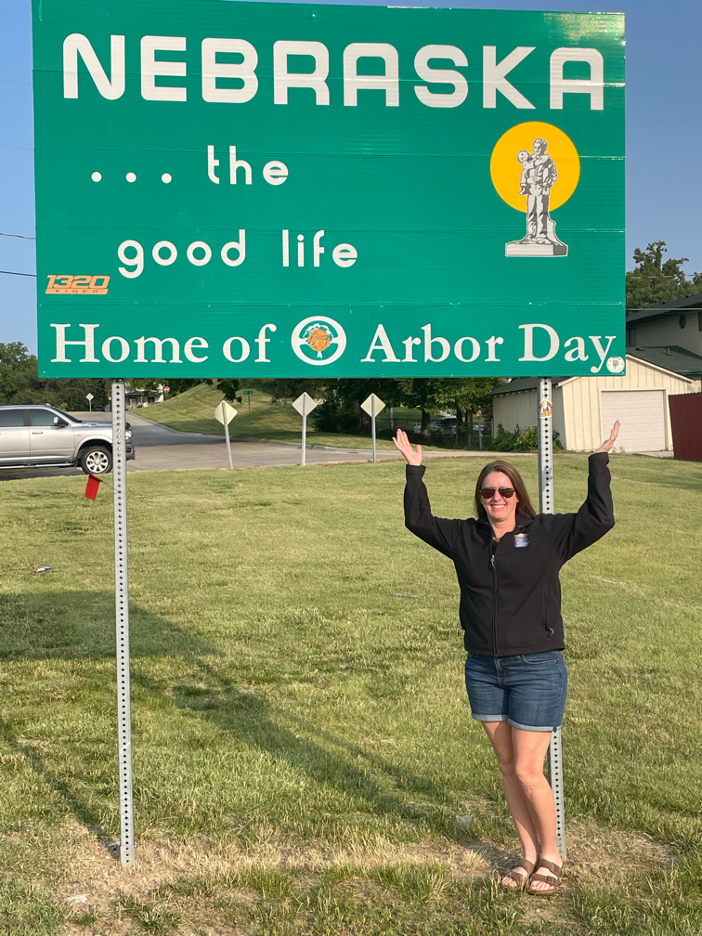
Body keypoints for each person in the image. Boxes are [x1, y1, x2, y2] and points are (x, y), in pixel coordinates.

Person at [392, 421, 620, 895]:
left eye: (505, 490)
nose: (496, 498)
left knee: (526, 769)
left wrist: (599, 463)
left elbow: (599, 519)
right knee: (505, 765)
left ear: (518, 495)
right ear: (480, 498)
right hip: (483, 667)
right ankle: (527, 854)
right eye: (488, 492)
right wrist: (416, 471)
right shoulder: (465, 539)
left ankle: (552, 855)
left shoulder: (548, 534)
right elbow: (418, 522)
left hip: (536, 667)